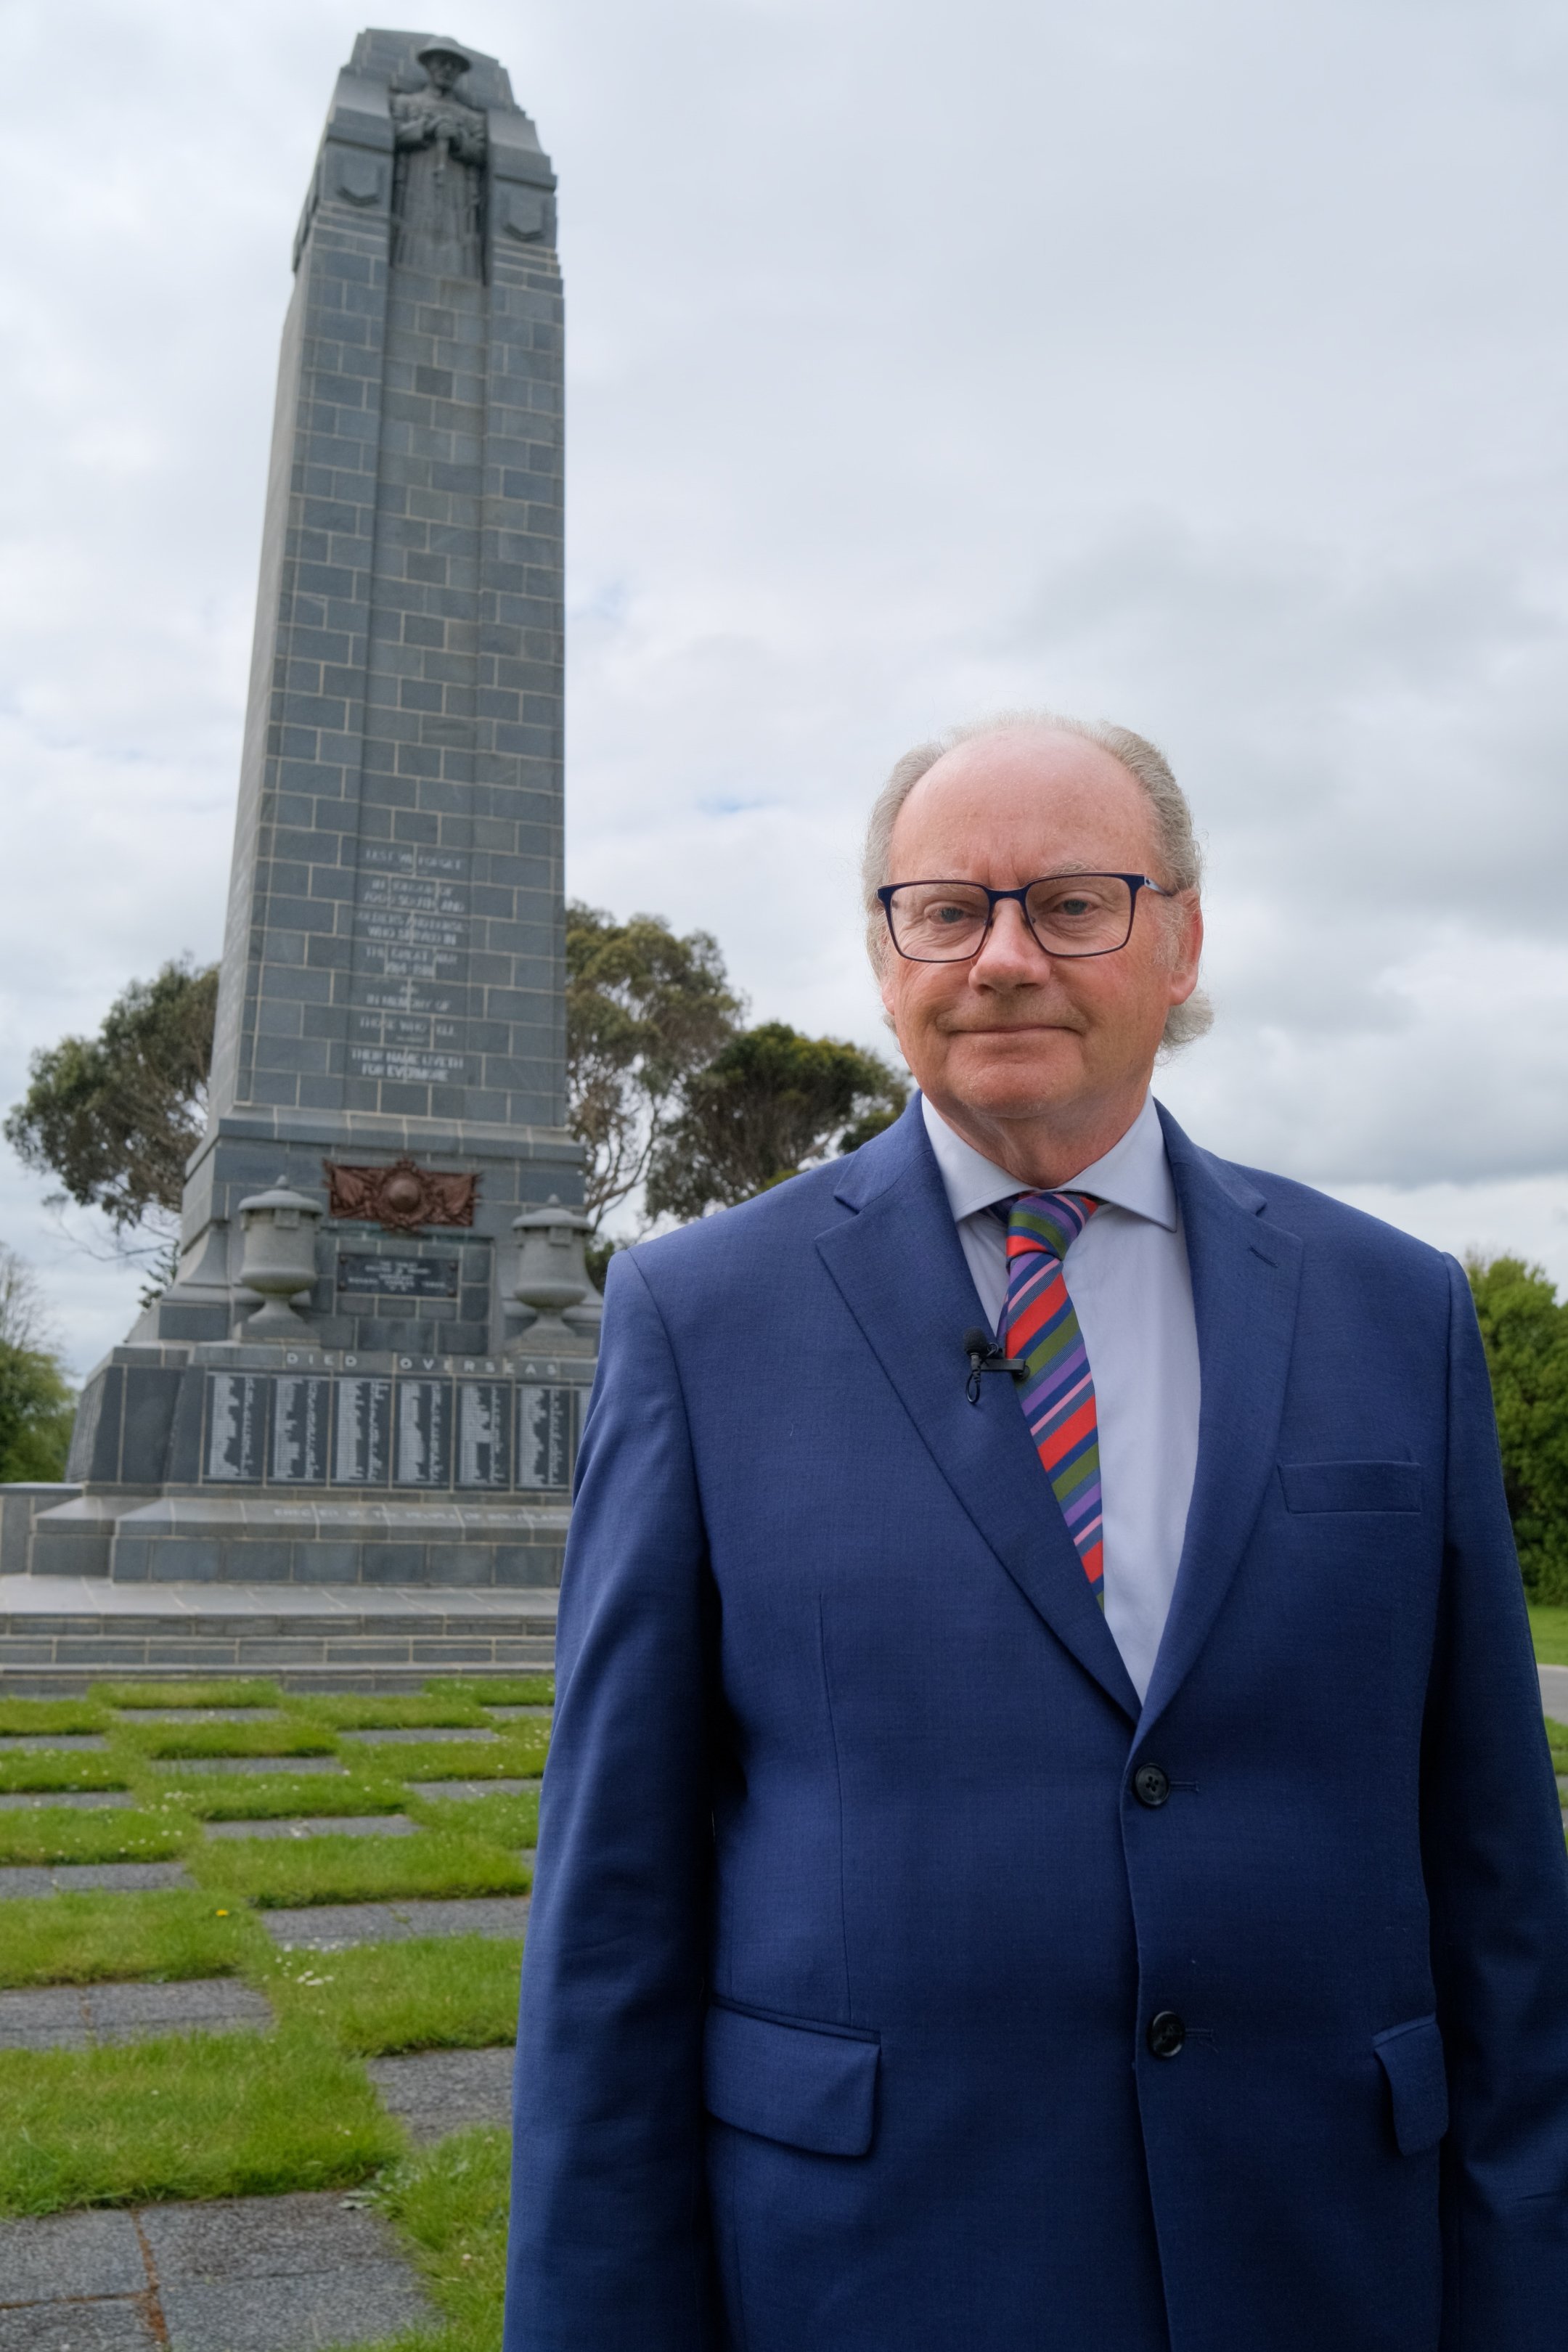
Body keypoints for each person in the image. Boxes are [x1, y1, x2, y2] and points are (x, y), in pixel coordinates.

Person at [505, 714, 1568, 2351]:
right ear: (888, 957)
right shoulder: (698, 1319)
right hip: (875, 2266)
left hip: (1324, 2257)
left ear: (1181, 942)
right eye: (948, 909)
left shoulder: (1394, 1311)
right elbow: (612, 1911)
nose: (1004, 958)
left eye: (1073, 903)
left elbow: (1499, 1885)